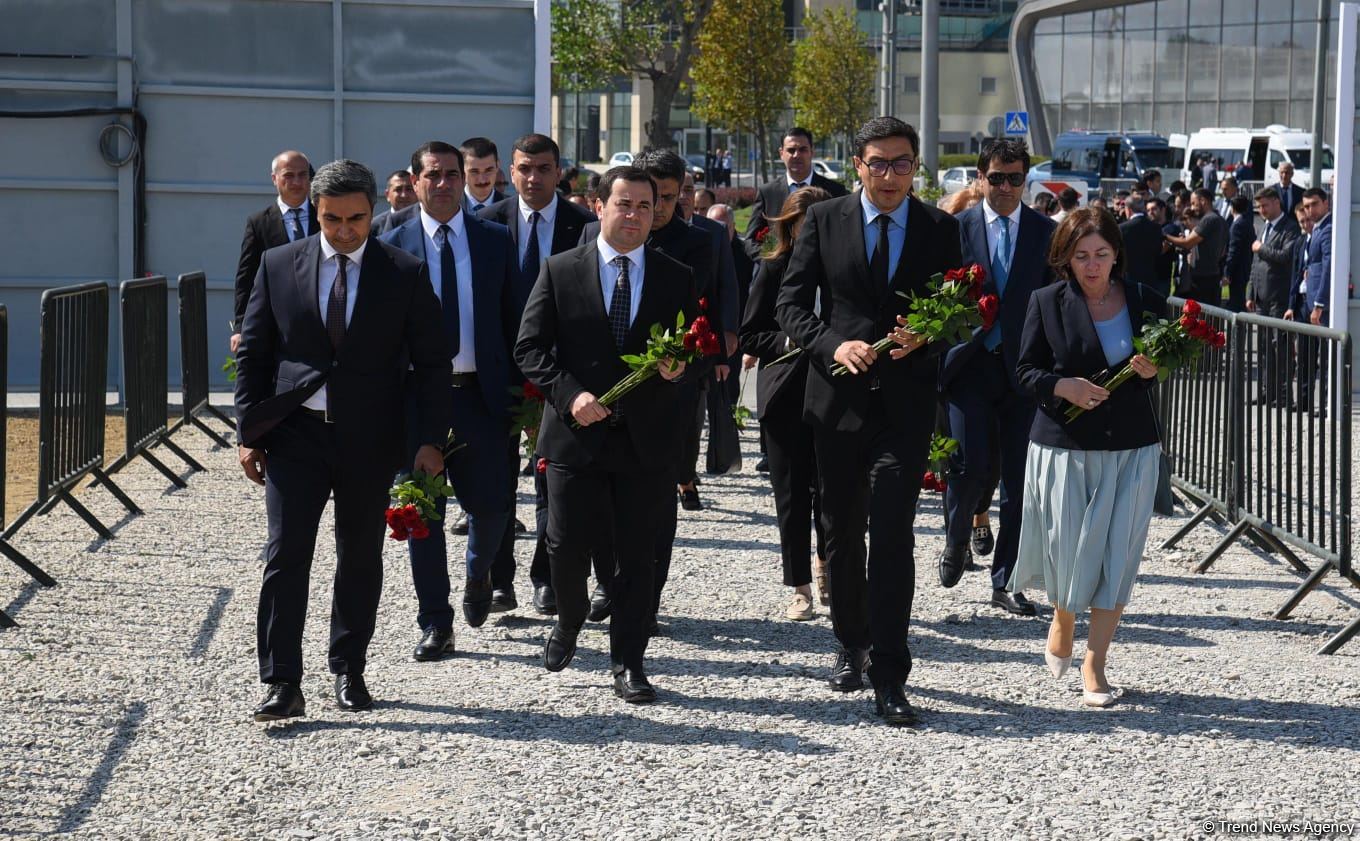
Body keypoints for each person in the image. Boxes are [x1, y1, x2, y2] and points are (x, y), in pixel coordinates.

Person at [236, 159, 452, 721]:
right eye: (332, 219)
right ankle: (282, 681)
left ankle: (348, 669)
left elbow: (432, 363)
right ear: (315, 211)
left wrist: (430, 440)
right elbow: (254, 354)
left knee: (359, 556)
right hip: (295, 436)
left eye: (356, 218)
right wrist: (248, 433)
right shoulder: (279, 264)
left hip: (369, 436)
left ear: (373, 211)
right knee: (285, 556)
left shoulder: (403, 272)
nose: (345, 230)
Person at [776, 116, 963, 726]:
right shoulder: (825, 220)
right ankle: (849, 642)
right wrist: (832, 345)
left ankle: (890, 671)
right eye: (878, 163)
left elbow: (960, 311)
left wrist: (928, 338)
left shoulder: (940, 228)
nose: (890, 176)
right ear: (857, 164)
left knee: (891, 537)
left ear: (916, 168)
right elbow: (791, 304)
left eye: (902, 164)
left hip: (904, 409)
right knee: (841, 533)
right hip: (837, 404)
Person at [515, 165, 697, 704]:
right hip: (576, 435)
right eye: (624, 204)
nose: (635, 216)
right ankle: (569, 619)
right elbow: (529, 348)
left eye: (647, 206)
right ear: (599, 207)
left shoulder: (675, 275)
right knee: (566, 546)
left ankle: (629, 663)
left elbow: (691, 347)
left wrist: (679, 367)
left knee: (638, 557)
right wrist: (571, 395)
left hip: (646, 441)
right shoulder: (560, 270)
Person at [1010, 207, 1163, 708]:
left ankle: (1095, 663)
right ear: (1066, 260)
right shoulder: (1046, 302)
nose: (1093, 265)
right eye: (1082, 256)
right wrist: (1063, 386)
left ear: (1116, 254)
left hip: (1131, 449)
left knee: (1117, 555)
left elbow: (1168, 359)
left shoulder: (1143, 300)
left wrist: (1155, 368)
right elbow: (1025, 371)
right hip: (1065, 448)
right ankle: (1062, 616)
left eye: (1101, 254)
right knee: (1069, 550)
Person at [380, 140, 520, 658]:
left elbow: (514, 317)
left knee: (492, 506)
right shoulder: (387, 239)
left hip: (479, 397)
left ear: (466, 180)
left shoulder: (493, 239)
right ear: (413, 182)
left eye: (451, 175)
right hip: (415, 402)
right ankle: (435, 622)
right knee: (423, 514)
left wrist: (524, 392)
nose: (443, 184)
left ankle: (478, 574)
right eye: (432, 175)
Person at [936, 138, 1057, 616]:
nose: (1006, 187)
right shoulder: (954, 229)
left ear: (1025, 180)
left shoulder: (1045, 232)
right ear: (980, 177)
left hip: (1024, 370)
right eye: (997, 177)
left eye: (1015, 178)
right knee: (968, 467)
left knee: (1020, 481)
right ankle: (955, 537)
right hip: (969, 366)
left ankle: (1006, 579)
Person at [479, 134, 596, 614]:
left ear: (558, 172)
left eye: (543, 169)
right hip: (499, 374)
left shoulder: (585, 227)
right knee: (497, 480)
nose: (533, 178)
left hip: (559, 376)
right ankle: (499, 577)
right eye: (525, 168)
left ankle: (546, 576)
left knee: (554, 481)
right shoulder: (486, 225)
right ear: (511, 170)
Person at [740, 187, 832, 620]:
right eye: (802, 223)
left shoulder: (843, 269)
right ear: (789, 226)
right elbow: (750, 334)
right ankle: (800, 586)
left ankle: (828, 563)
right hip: (784, 396)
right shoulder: (772, 268)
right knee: (792, 494)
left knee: (834, 491)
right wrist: (791, 338)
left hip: (835, 392)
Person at [231, 150, 316, 352]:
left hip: (319, 320)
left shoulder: (325, 216)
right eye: (288, 175)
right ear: (274, 178)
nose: (296, 182)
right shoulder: (259, 222)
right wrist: (240, 326)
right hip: (275, 321)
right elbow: (246, 276)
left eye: (302, 175)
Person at [742, 128, 848, 259]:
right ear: (781, 153)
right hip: (778, 275)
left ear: (812, 152)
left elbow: (846, 237)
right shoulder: (768, 193)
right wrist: (770, 263)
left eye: (803, 149)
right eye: (791, 150)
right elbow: (750, 241)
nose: (797, 155)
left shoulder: (835, 191)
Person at [1244, 187, 1302, 406]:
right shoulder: (1264, 227)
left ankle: (1285, 393)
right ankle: (1268, 391)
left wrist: (1261, 248)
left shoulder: (1289, 228)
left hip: (1279, 296)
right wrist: (1251, 292)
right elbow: (1255, 264)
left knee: (1282, 348)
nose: (1262, 210)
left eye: (1265, 205)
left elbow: (1285, 256)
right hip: (1261, 297)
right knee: (1265, 347)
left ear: (1277, 203)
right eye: (1259, 207)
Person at [1164, 188, 1227, 305]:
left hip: (1203, 278)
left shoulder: (1208, 219)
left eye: (1193, 203)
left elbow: (1187, 242)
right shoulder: (1220, 219)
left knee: (1201, 315)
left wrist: (1165, 235)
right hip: (1212, 274)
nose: (1192, 208)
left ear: (1203, 201)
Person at [1118, 195, 1165, 297]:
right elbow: (1158, 251)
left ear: (1128, 209)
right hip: (1151, 280)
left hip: (1129, 279)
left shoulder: (1122, 228)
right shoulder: (1156, 227)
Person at [1221, 195, 1256, 312]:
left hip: (1238, 270)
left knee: (1236, 302)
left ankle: (1237, 329)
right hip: (1245, 267)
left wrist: (1227, 271)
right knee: (1239, 299)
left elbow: (1233, 250)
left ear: (1232, 208)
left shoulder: (1237, 225)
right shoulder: (1247, 222)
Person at [462, 136, 507, 215]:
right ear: (462, 169)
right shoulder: (447, 207)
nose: (482, 180)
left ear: (497, 166)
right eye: (474, 171)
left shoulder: (513, 209)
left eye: (488, 170)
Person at [369, 170, 416, 236]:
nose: (404, 195)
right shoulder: (374, 226)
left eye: (409, 189)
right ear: (387, 195)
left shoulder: (426, 221)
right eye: (398, 190)